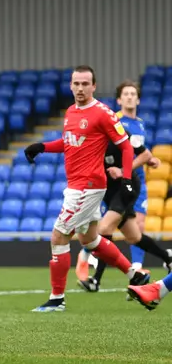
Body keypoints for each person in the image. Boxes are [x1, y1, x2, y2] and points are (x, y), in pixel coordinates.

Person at [23, 65, 150, 313]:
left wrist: (126, 178)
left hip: (88, 186)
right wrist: (42, 146)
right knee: (90, 239)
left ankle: (57, 299)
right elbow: (68, 143)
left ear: (94, 86)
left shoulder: (103, 113)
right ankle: (134, 275)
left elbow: (125, 147)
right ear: (71, 85)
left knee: (59, 236)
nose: (80, 88)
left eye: (85, 84)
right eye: (76, 83)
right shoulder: (71, 112)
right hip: (76, 186)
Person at [76, 80, 167, 292]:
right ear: (119, 99)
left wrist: (148, 160)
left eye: (132, 94)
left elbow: (140, 151)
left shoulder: (140, 124)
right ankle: (163, 260)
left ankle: (106, 275)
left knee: (120, 229)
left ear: (138, 98)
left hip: (132, 182)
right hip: (117, 184)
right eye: (125, 94)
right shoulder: (115, 121)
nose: (129, 97)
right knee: (133, 234)